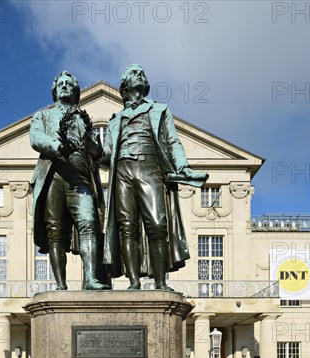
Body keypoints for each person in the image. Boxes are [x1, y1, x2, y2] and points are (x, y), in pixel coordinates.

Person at [102, 64, 208, 290]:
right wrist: (91, 148)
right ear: (124, 87)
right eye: (133, 73)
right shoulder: (115, 119)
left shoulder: (159, 110)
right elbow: (105, 156)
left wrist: (183, 166)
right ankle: (133, 283)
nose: (138, 74)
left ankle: (160, 283)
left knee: (157, 224)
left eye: (141, 73)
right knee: (126, 227)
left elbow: (172, 142)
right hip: (121, 171)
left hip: (150, 168)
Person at [30, 71, 109, 290]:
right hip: (53, 173)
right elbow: (35, 138)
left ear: (75, 91)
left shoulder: (84, 120)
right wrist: (56, 146)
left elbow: (98, 152)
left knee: (89, 224)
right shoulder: (43, 115)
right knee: (55, 230)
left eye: (69, 84)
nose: (64, 86)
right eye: (61, 84)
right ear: (55, 91)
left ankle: (92, 278)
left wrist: (92, 145)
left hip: (80, 177)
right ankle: (60, 285)